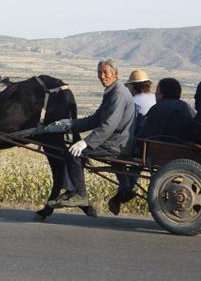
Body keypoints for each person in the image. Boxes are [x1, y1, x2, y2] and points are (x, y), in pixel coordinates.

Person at [44, 59, 135, 208]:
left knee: (74, 153)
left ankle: (78, 194)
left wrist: (85, 142)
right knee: (74, 149)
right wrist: (69, 124)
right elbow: (95, 119)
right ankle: (72, 191)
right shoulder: (112, 91)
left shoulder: (118, 94)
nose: (102, 76)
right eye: (99, 72)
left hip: (116, 144)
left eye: (105, 72)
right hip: (115, 140)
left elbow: (108, 125)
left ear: (116, 74)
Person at [108, 78, 195, 215]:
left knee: (118, 155)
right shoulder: (186, 107)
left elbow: (147, 134)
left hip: (158, 151)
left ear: (161, 93)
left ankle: (125, 188)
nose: (155, 94)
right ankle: (124, 191)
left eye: (157, 91)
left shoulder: (158, 109)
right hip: (182, 151)